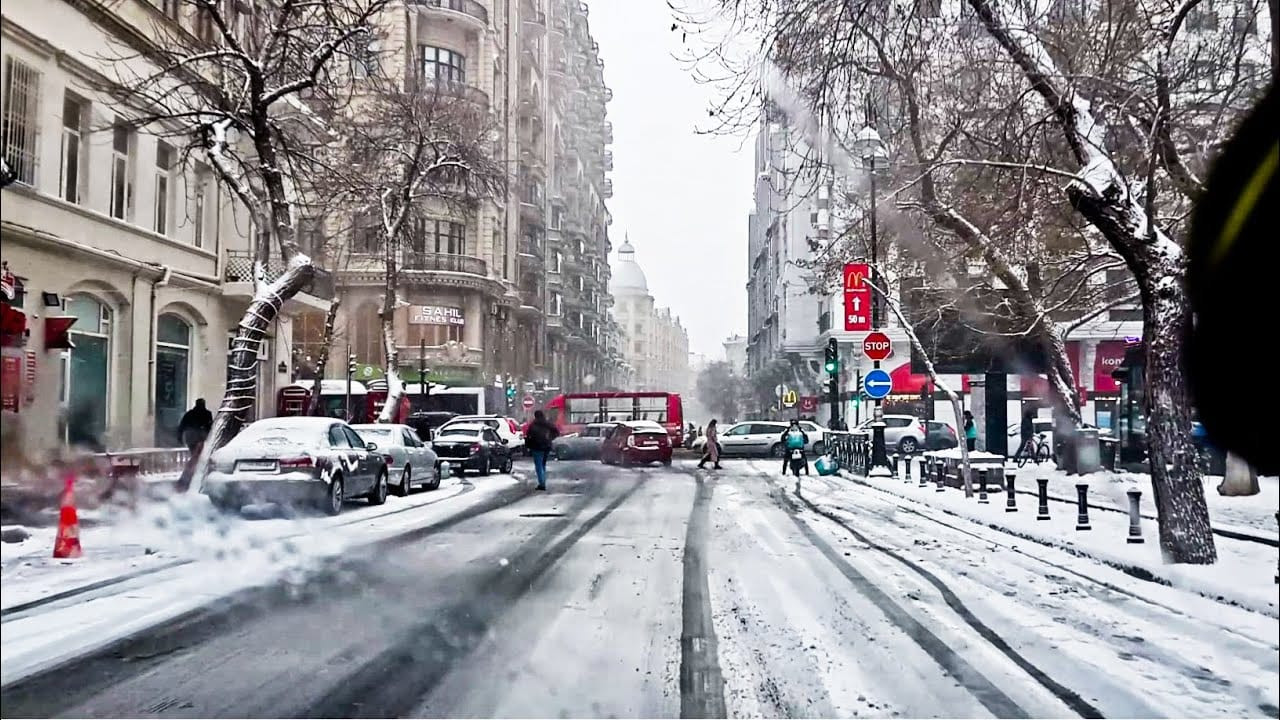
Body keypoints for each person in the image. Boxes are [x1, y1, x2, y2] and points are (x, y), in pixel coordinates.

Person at [525, 410, 559, 490]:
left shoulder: (533, 425)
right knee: (543, 464)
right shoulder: (548, 424)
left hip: (536, 446)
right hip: (546, 446)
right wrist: (550, 438)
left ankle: (542, 483)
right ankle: (543, 480)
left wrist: (528, 446)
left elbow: (528, 436)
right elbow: (556, 432)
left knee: (539, 465)